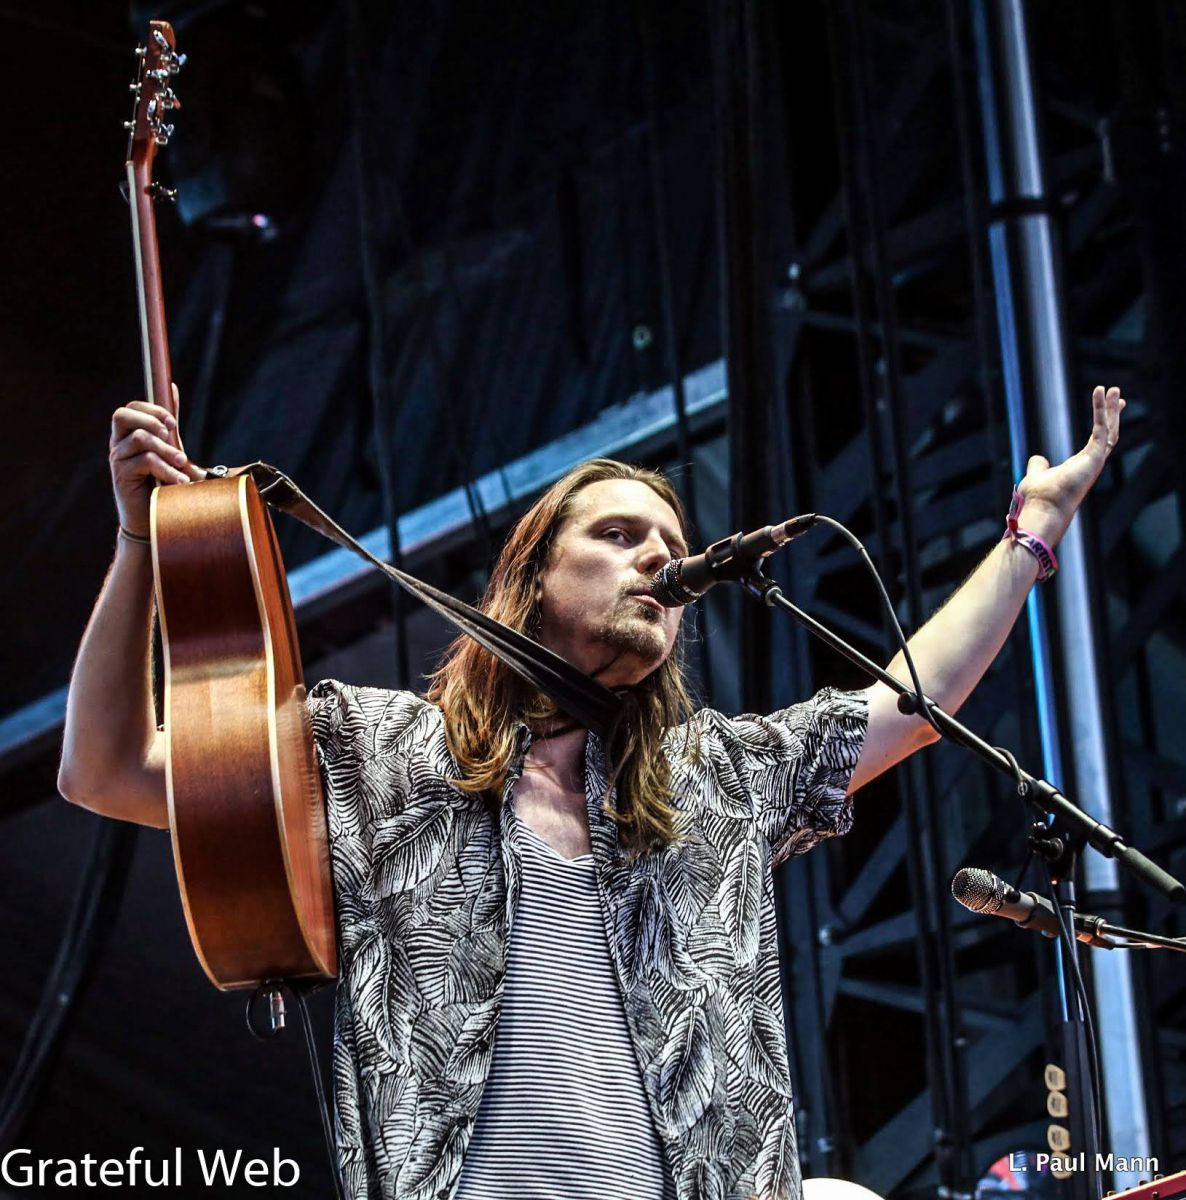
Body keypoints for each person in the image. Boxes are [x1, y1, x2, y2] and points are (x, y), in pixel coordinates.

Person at [57, 385, 1126, 1200]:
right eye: (616, 538)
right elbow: (102, 769)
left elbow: (915, 695)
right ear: (529, 580)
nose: (656, 561)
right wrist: (141, 540)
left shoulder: (718, 776)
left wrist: (1031, 536)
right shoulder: (370, 753)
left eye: (670, 548)